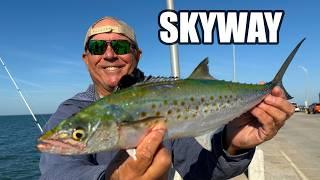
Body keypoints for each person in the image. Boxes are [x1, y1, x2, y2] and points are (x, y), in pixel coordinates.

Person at [39, 16, 294, 180]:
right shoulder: (72, 112)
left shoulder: (161, 91)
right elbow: (57, 172)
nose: (109, 55)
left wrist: (233, 144)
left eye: (120, 47)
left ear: (136, 55)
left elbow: (203, 170)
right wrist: (111, 178)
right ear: (86, 59)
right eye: (97, 47)